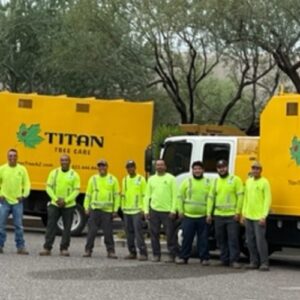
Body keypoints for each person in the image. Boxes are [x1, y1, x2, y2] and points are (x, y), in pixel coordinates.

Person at [39, 154, 80, 256]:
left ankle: (64, 248)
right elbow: (48, 187)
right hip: (55, 204)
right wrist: (56, 199)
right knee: (51, 226)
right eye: (62, 160)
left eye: (66, 160)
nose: (64, 162)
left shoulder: (74, 174)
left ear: (70, 161)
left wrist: (66, 200)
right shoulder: (54, 173)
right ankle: (47, 248)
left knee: (67, 228)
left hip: (69, 205)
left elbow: (76, 190)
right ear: (60, 161)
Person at [207, 159, 243, 268]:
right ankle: (224, 259)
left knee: (233, 239)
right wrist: (209, 213)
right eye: (219, 167)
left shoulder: (235, 179)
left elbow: (240, 196)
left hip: (231, 215)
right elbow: (211, 197)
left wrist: (238, 212)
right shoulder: (216, 181)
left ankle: (234, 261)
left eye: (223, 167)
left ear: (227, 167)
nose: (221, 169)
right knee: (220, 239)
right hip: (218, 215)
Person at [83, 159, 120, 258]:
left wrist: (115, 209)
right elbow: (88, 194)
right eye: (100, 166)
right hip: (95, 210)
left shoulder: (113, 179)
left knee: (108, 232)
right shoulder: (93, 179)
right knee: (91, 232)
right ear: (98, 168)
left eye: (103, 166)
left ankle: (111, 251)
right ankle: (88, 250)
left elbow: (116, 196)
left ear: (107, 167)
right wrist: (86, 207)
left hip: (107, 211)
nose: (101, 168)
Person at [176, 161, 211, 265]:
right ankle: (184, 257)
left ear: (203, 170)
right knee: (186, 238)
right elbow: (180, 197)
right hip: (188, 215)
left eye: (199, 169)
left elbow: (210, 199)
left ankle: (204, 258)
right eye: (195, 169)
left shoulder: (208, 183)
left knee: (203, 239)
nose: (197, 171)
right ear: (192, 170)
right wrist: (181, 210)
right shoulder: (186, 182)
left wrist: (209, 213)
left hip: (203, 216)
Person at [144, 159, 178, 263]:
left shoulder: (171, 178)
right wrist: (146, 210)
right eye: (158, 165)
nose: (159, 167)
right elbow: (147, 196)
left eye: (161, 165)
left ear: (165, 167)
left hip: (167, 211)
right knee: (154, 234)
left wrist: (173, 210)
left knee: (170, 234)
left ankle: (172, 255)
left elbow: (175, 196)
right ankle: (156, 255)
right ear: (155, 167)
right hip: (154, 210)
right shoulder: (151, 179)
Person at [242, 161, 272, 271]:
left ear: (261, 170)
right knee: (249, 241)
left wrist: (264, 216)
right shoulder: (248, 182)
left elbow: (267, 200)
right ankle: (253, 262)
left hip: (259, 217)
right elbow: (245, 199)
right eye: (253, 168)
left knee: (260, 241)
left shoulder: (264, 182)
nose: (255, 170)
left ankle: (264, 263)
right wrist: (243, 213)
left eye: (257, 169)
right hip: (248, 216)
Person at [0, 148, 30, 254]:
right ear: (7, 157)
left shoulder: (22, 169)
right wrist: (0, 194)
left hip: (17, 202)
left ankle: (20, 247)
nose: (12, 157)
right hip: (4, 202)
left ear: (17, 157)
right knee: (1, 225)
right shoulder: (2, 169)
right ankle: (0, 245)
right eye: (10, 155)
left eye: (14, 155)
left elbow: (27, 184)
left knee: (19, 226)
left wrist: (24, 195)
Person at [121, 160, 148, 261]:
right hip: (127, 210)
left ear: (135, 168)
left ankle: (143, 253)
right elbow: (123, 195)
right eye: (128, 167)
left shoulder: (141, 179)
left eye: (132, 167)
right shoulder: (125, 179)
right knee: (129, 233)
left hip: (137, 210)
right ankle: (132, 252)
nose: (130, 169)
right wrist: (122, 207)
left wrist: (144, 209)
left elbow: (145, 195)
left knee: (138, 233)